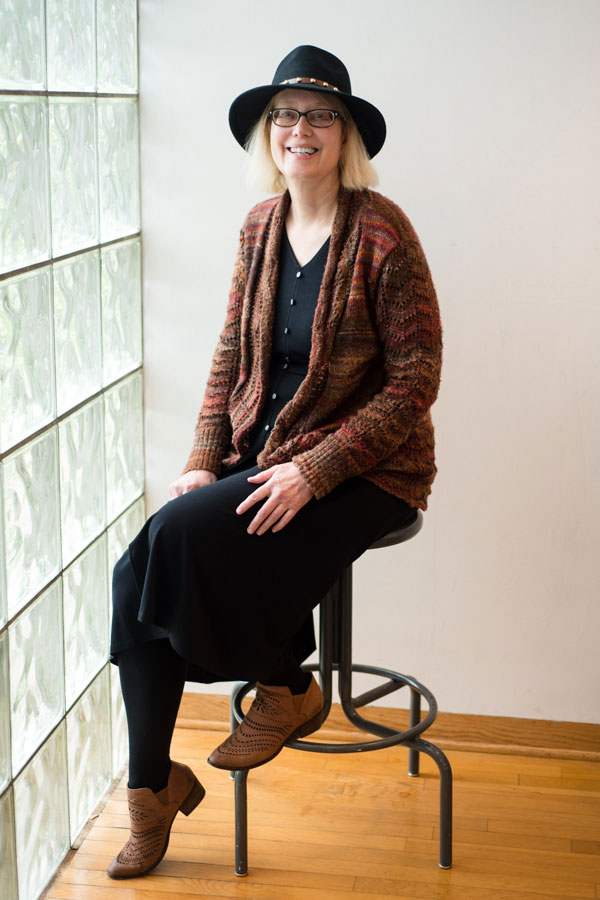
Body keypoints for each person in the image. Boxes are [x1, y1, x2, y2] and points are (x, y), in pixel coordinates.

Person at [107, 44, 442, 880]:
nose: (301, 129)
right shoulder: (259, 226)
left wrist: (315, 471)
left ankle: (285, 685)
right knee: (134, 569)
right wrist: (200, 457)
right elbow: (232, 354)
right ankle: (156, 788)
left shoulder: (383, 231)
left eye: (320, 115)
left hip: (370, 471)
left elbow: (414, 385)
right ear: (269, 132)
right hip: (263, 454)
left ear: (346, 135)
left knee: (172, 546)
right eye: (285, 114)